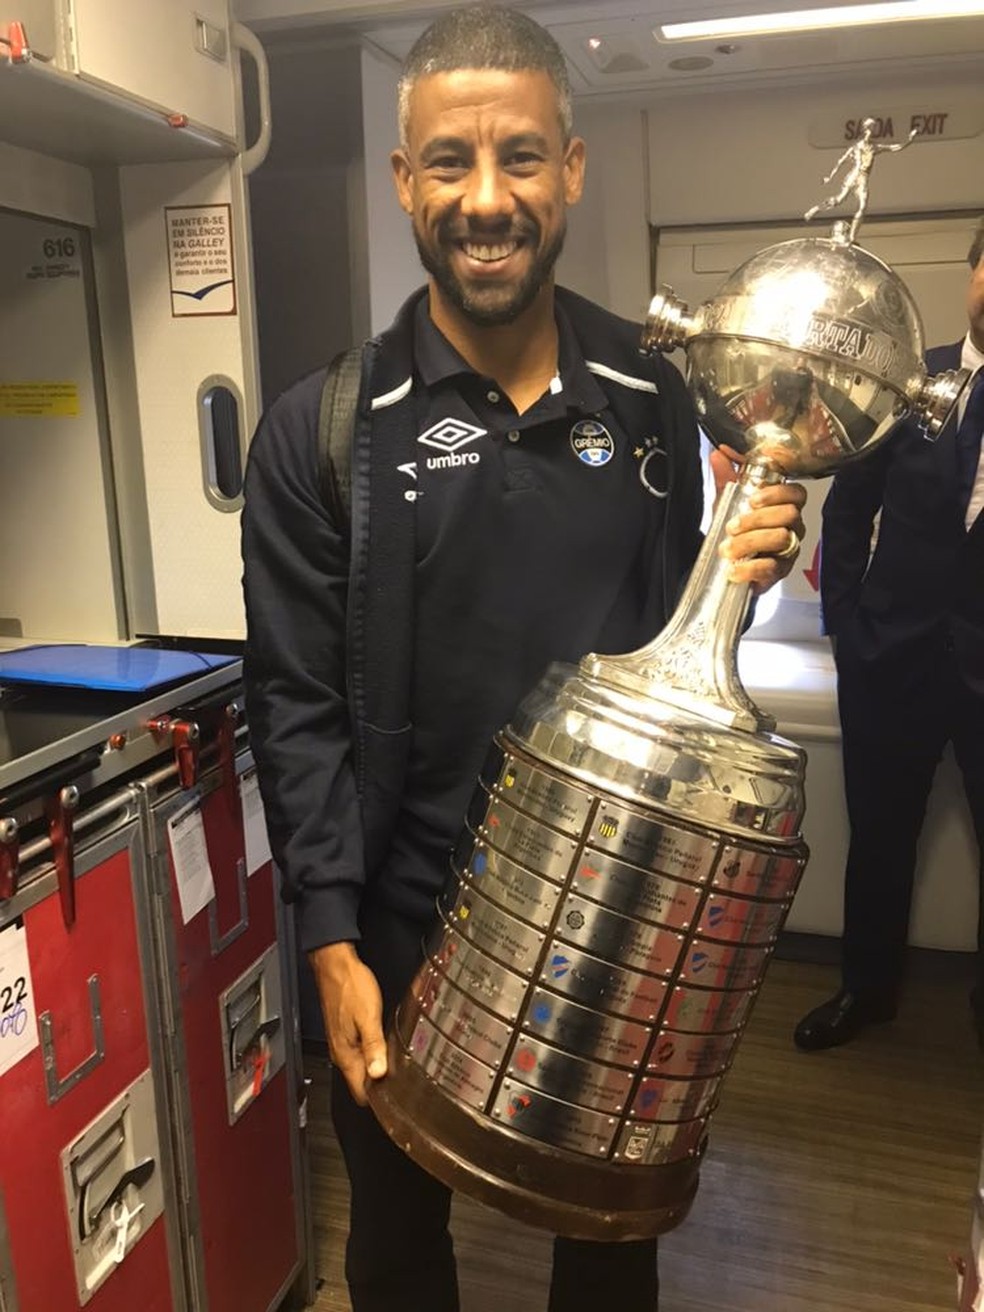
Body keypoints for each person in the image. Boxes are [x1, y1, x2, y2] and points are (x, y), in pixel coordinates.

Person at [242, 7, 806, 1309]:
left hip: (608, 913)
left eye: (520, 159)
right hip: (399, 917)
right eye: (450, 161)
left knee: (607, 1256)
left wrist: (740, 570)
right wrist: (328, 937)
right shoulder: (323, 432)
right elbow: (298, 706)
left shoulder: (659, 398)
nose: (485, 199)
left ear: (573, 169)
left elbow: (675, 646)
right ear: (404, 181)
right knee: (393, 1253)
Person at [794, 217, 984, 1053]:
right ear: (973, 277)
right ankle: (865, 992)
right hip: (891, 656)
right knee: (877, 838)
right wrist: (845, 625)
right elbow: (848, 502)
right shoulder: (914, 381)